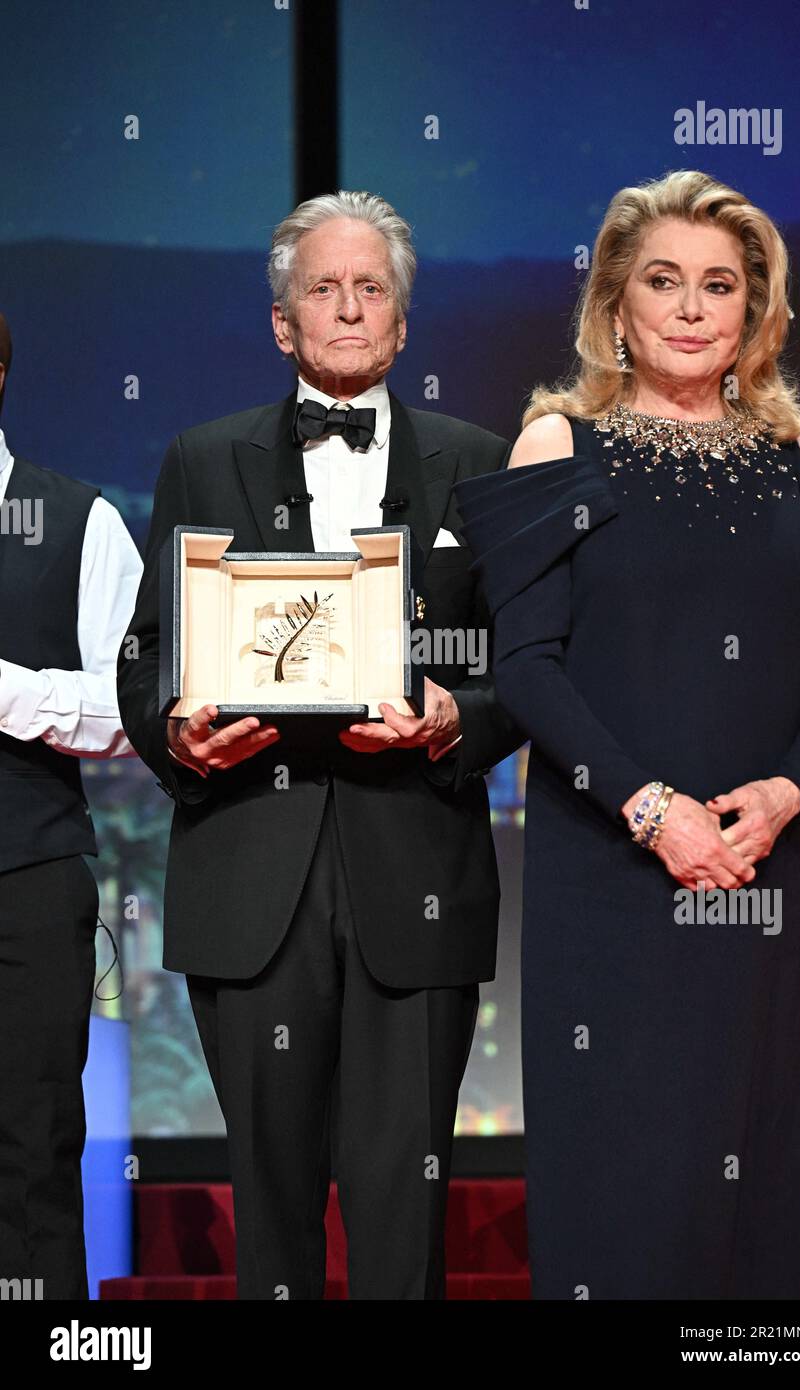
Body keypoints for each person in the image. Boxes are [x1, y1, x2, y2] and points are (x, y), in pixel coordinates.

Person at [453, 170, 800, 1299]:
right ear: (613, 307)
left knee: (747, 1176)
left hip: (748, 870)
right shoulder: (556, 448)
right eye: (662, 281)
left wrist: (782, 797)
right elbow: (524, 669)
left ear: (754, 311)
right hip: (608, 872)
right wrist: (650, 810)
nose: (690, 307)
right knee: (623, 1187)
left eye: (718, 285)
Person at [116, 191, 522, 1300]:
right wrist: (175, 729)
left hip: (417, 876)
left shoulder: (479, 460)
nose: (347, 309)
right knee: (273, 1209)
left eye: (370, 288)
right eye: (321, 290)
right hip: (250, 870)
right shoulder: (202, 458)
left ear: (402, 321)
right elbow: (147, 653)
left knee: (406, 1219)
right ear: (281, 324)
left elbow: (525, 669)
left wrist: (458, 717)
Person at [0, 311, 143, 1298]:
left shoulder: (78, 519)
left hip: (27, 884)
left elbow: (132, 709)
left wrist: (6, 690)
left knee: (32, 1147)